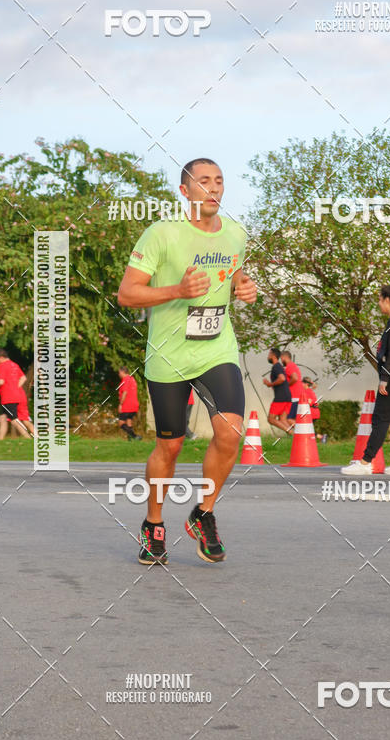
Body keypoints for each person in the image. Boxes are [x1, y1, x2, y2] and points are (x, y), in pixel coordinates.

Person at [117, 158, 257, 565]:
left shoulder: (236, 234)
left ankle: (203, 513)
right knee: (170, 444)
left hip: (216, 348)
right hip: (169, 354)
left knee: (230, 433)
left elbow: (232, 273)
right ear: (185, 192)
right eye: (203, 182)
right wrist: (177, 290)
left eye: (219, 180)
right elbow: (127, 294)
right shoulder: (161, 234)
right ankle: (153, 523)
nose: (213, 188)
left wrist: (242, 285)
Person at [341, 284, 390, 477]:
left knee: (380, 418)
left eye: (379, 299)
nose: (378, 303)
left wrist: (384, 378)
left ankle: (366, 462)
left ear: (387, 300)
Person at [0, 349, 33, 439]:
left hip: (8, 397)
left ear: (1, 357)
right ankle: (0, 440)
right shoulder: (14, 365)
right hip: (15, 395)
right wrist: (16, 387)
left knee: (14, 420)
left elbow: (1, 381)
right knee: (2, 418)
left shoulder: (2, 366)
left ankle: (28, 438)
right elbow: (23, 378)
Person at [264, 348, 292, 433]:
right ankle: (296, 436)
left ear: (273, 355)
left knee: (271, 419)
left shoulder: (276, 367)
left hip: (281, 397)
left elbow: (282, 378)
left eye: (269, 354)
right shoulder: (279, 366)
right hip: (287, 396)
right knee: (283, 420)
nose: (268, 357)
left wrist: (270, 384)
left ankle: (292, 433)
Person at [280, 350, 306, 425]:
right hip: (297, 396)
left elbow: (295, 378)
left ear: (285, 357)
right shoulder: (293, 366)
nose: (281, 361)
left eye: (281, 358)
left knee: (288, 419)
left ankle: (310, 434)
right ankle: (300, 435)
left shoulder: (290, 366)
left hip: (294, 397)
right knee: (291, 419)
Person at [118, 366, 142, 440]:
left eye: (119, 373)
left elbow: (125, 392)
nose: (118, 374)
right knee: (129, 421)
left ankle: (134, 436)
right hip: (134, 405)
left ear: (122, 372)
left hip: (127, 405)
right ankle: (130, 439)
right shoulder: (132, 379)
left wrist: (120, 404)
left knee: (121, 423)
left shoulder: (125, 380)